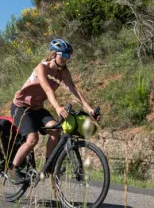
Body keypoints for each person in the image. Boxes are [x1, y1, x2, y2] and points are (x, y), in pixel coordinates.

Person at [9, 38, 99, 183]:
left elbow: (73, 90)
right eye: (62, 55)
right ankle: (12, 169)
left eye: (68, 56)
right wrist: (57, 107)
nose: (65, 59)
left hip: (37, 108)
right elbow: (47, 89)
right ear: (53, 54)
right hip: (21, 107)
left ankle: (49, 165)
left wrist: (89, 109)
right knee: (33, 139)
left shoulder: (63, 72)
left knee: (55, 130)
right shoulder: (41, 68)